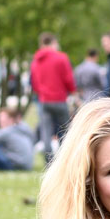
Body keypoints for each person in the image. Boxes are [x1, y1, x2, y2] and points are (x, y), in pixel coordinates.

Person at [30, 33, 77, 165]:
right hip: (59, 98)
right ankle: (65, 160)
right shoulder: (61, 58)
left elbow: (34, 82)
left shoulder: (36, 61)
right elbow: (68, 78)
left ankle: (48, 162)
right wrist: (73, 92)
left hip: (44, 100)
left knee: (46, 132)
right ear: (53, 42)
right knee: (65, 130)